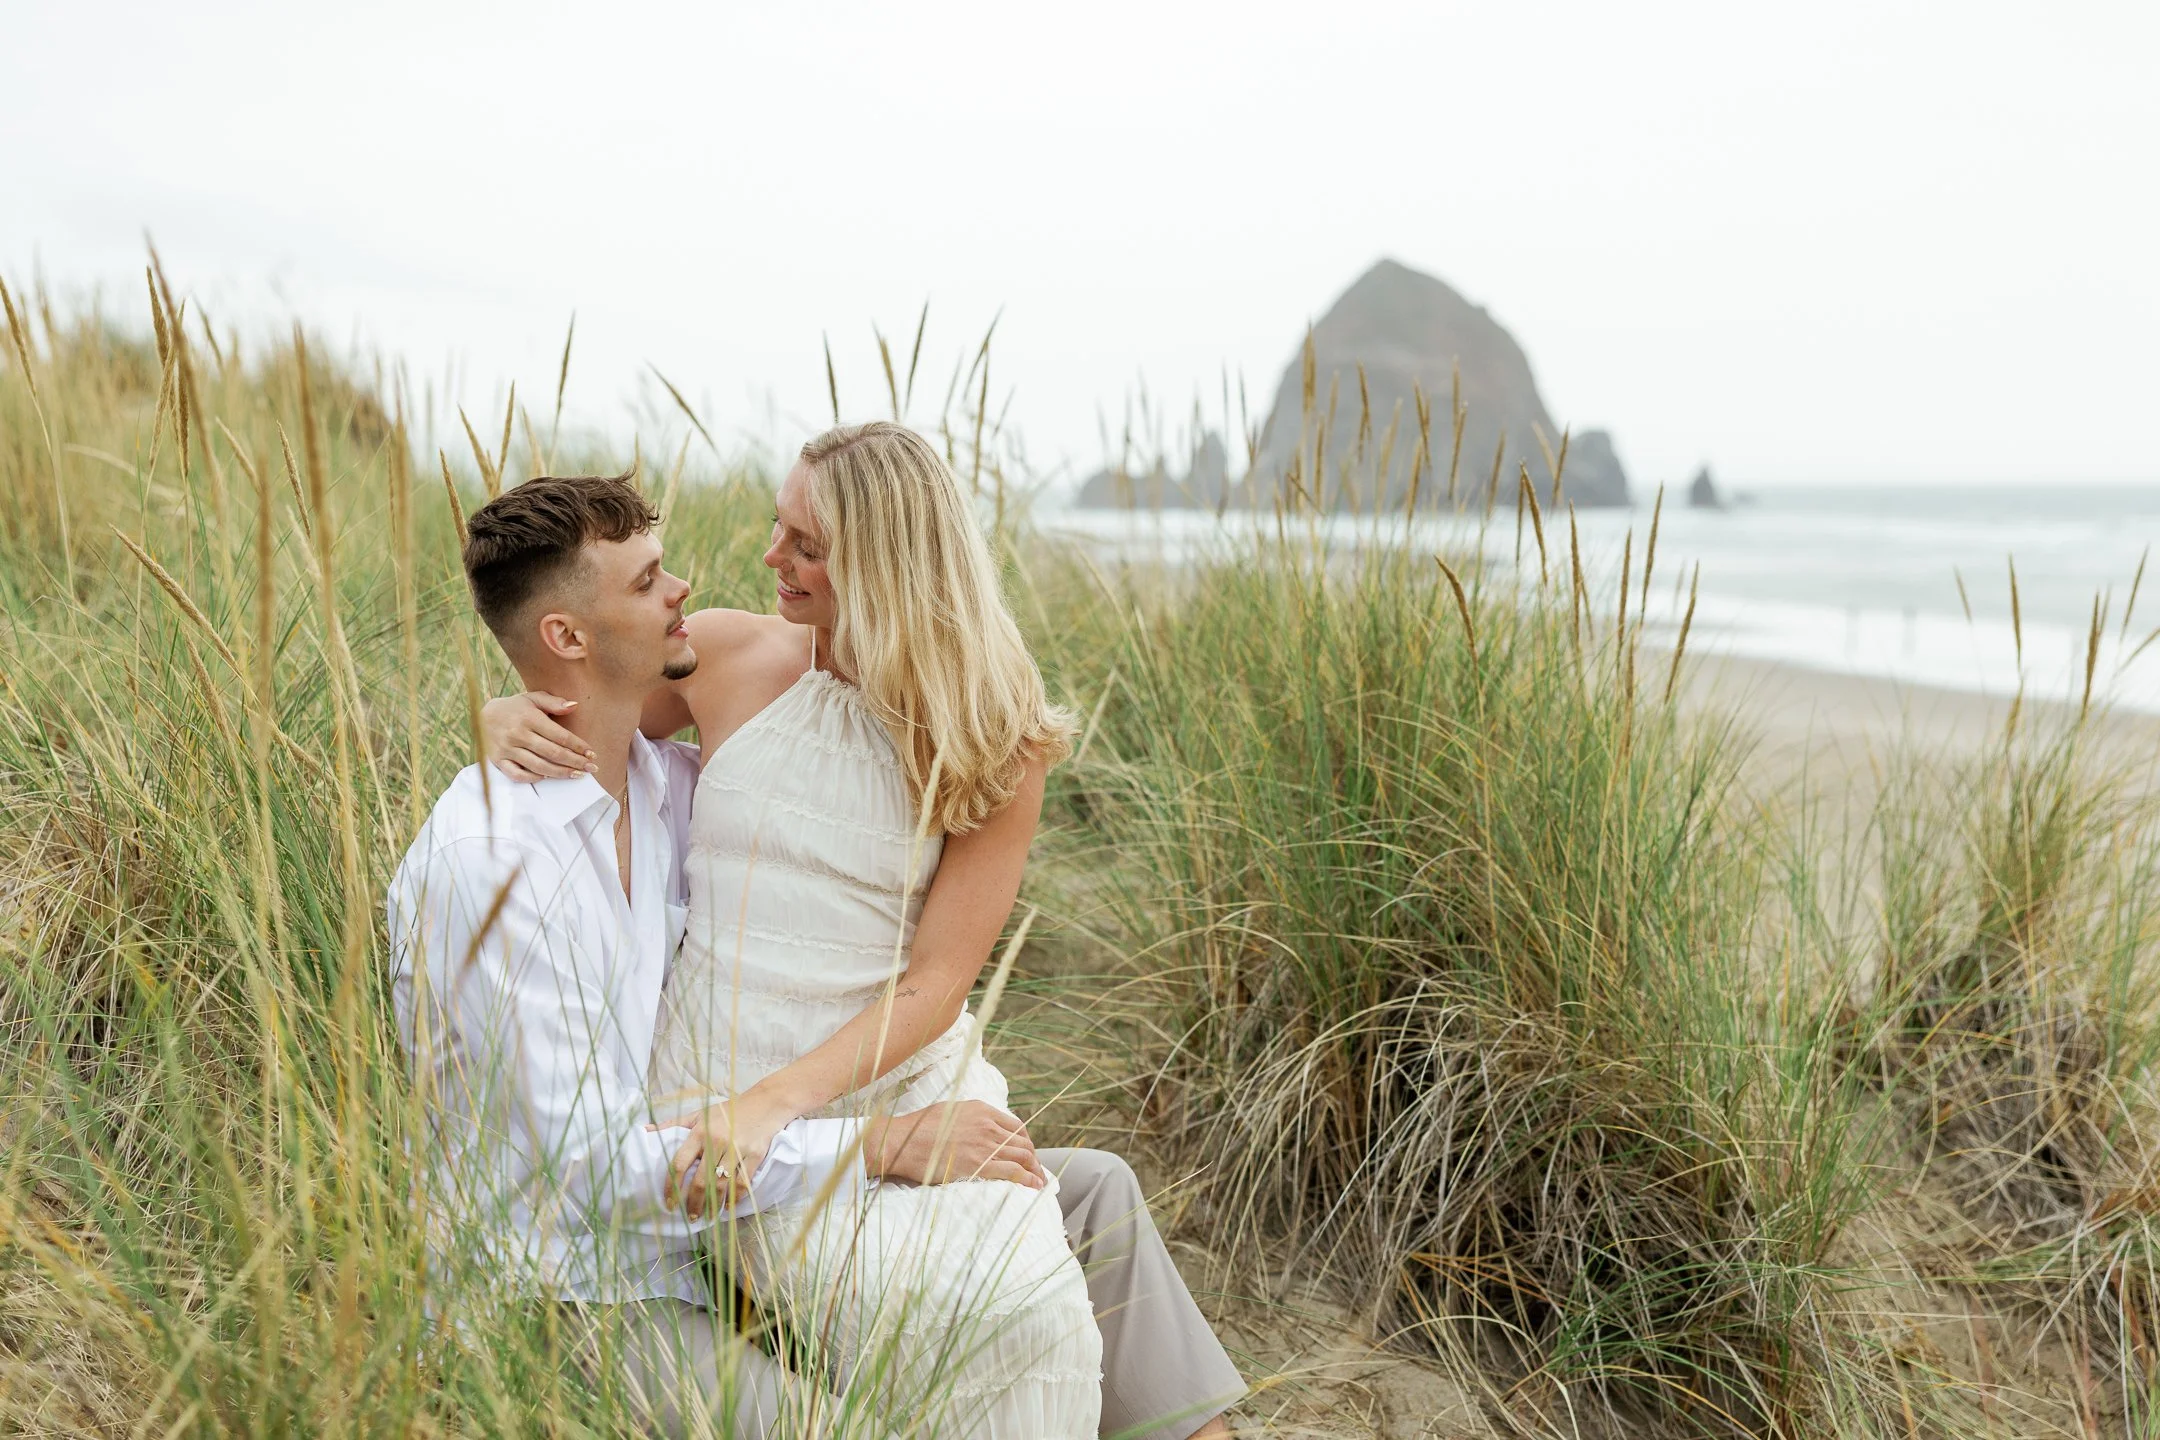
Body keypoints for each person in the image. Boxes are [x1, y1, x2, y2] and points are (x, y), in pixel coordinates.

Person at [482, 430, 1241, 1439]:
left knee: (1027, 1306)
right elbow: (588, 707)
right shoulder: (728, 655)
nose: (772, 557)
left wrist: (785, 1101)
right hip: (724, 1089)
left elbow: (937, 983)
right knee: (976, 1303)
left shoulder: (991, 729)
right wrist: (499, 715)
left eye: (807, 545)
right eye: (779, 527)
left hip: (903, 1074)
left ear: (888, 562)